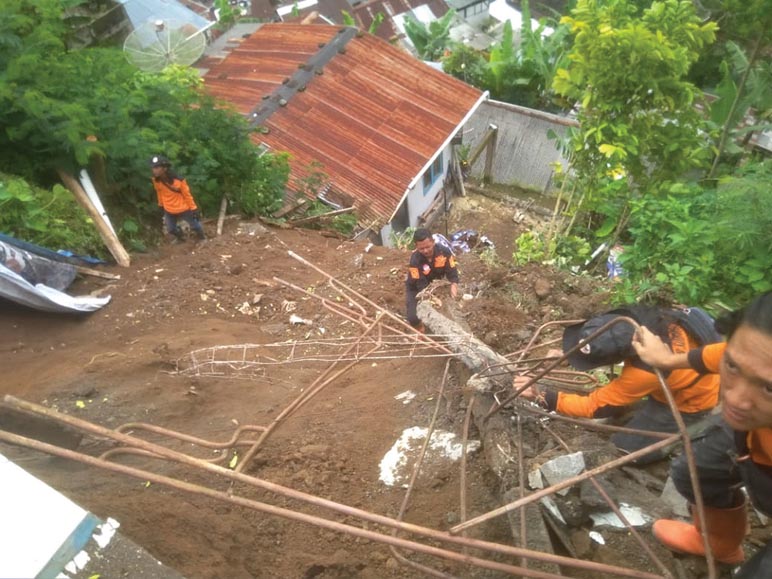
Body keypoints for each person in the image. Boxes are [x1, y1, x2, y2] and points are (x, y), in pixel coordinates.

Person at [632, 293, 772, 576]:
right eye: (733, 368)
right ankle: (721, 545)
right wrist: (668, 360)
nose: (734, 400)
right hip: (757, 433)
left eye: (769, 388)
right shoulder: (756, 357)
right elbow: (724, 354)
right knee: (696, 469)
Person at [518, 305, 722, 464]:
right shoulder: (648, 320)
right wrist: (570, 356)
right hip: (681, 377)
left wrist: (542, 396)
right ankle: (635, 408)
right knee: (626, 409)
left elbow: (594, 406)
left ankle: (689, 431)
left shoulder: (643, 373)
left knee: (623, 450)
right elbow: (612, 340)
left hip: (687, 403)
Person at [405, 227, 459, 332]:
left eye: (428, 247)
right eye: (421, 249)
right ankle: (421, 330)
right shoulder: (414, 261)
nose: (425, 251)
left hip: (435, 284)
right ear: (416, 247)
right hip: (416, 287)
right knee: (413, 318)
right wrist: (432, 298)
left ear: (433, 242)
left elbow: (452, 270)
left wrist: (454, 284)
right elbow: (420, 284)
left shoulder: (444, 252)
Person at [150, 155, 206, 243]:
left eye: (157, 167)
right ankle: (181, 237)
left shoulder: (179, 180)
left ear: (164, 168)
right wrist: (160, 204)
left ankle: (202, 238)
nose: (154, 170)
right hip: (168, 208)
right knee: (171, 229)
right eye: (153, 168)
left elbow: (187, 195)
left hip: (183, 208)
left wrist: (194, 208)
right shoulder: (156, 180)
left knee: (195, 226)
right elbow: (159, 192)